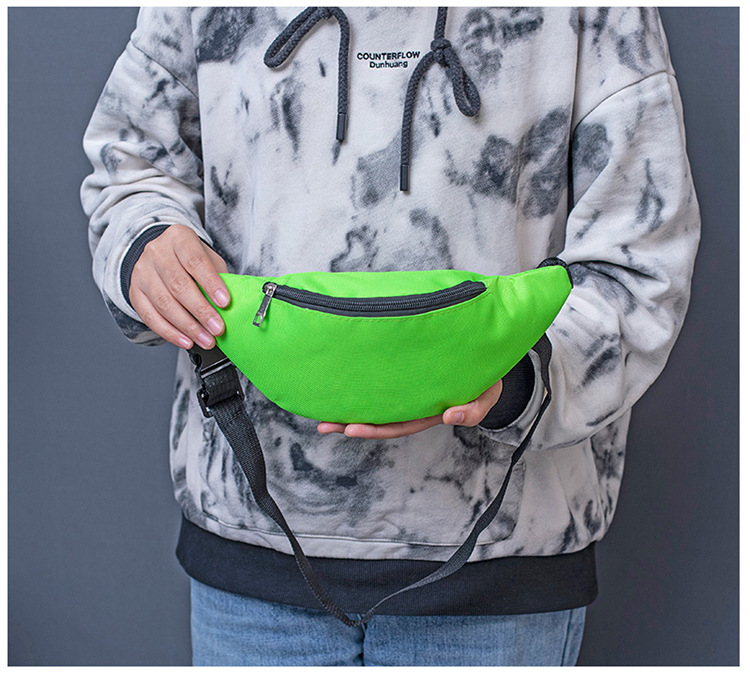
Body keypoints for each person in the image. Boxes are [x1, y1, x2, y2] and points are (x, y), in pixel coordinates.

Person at [81, 6, 700, 667]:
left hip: (502, 563)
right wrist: (147, 245)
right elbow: (131, 166)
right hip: (253, 547)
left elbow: (641, 258)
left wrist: (518, 382)